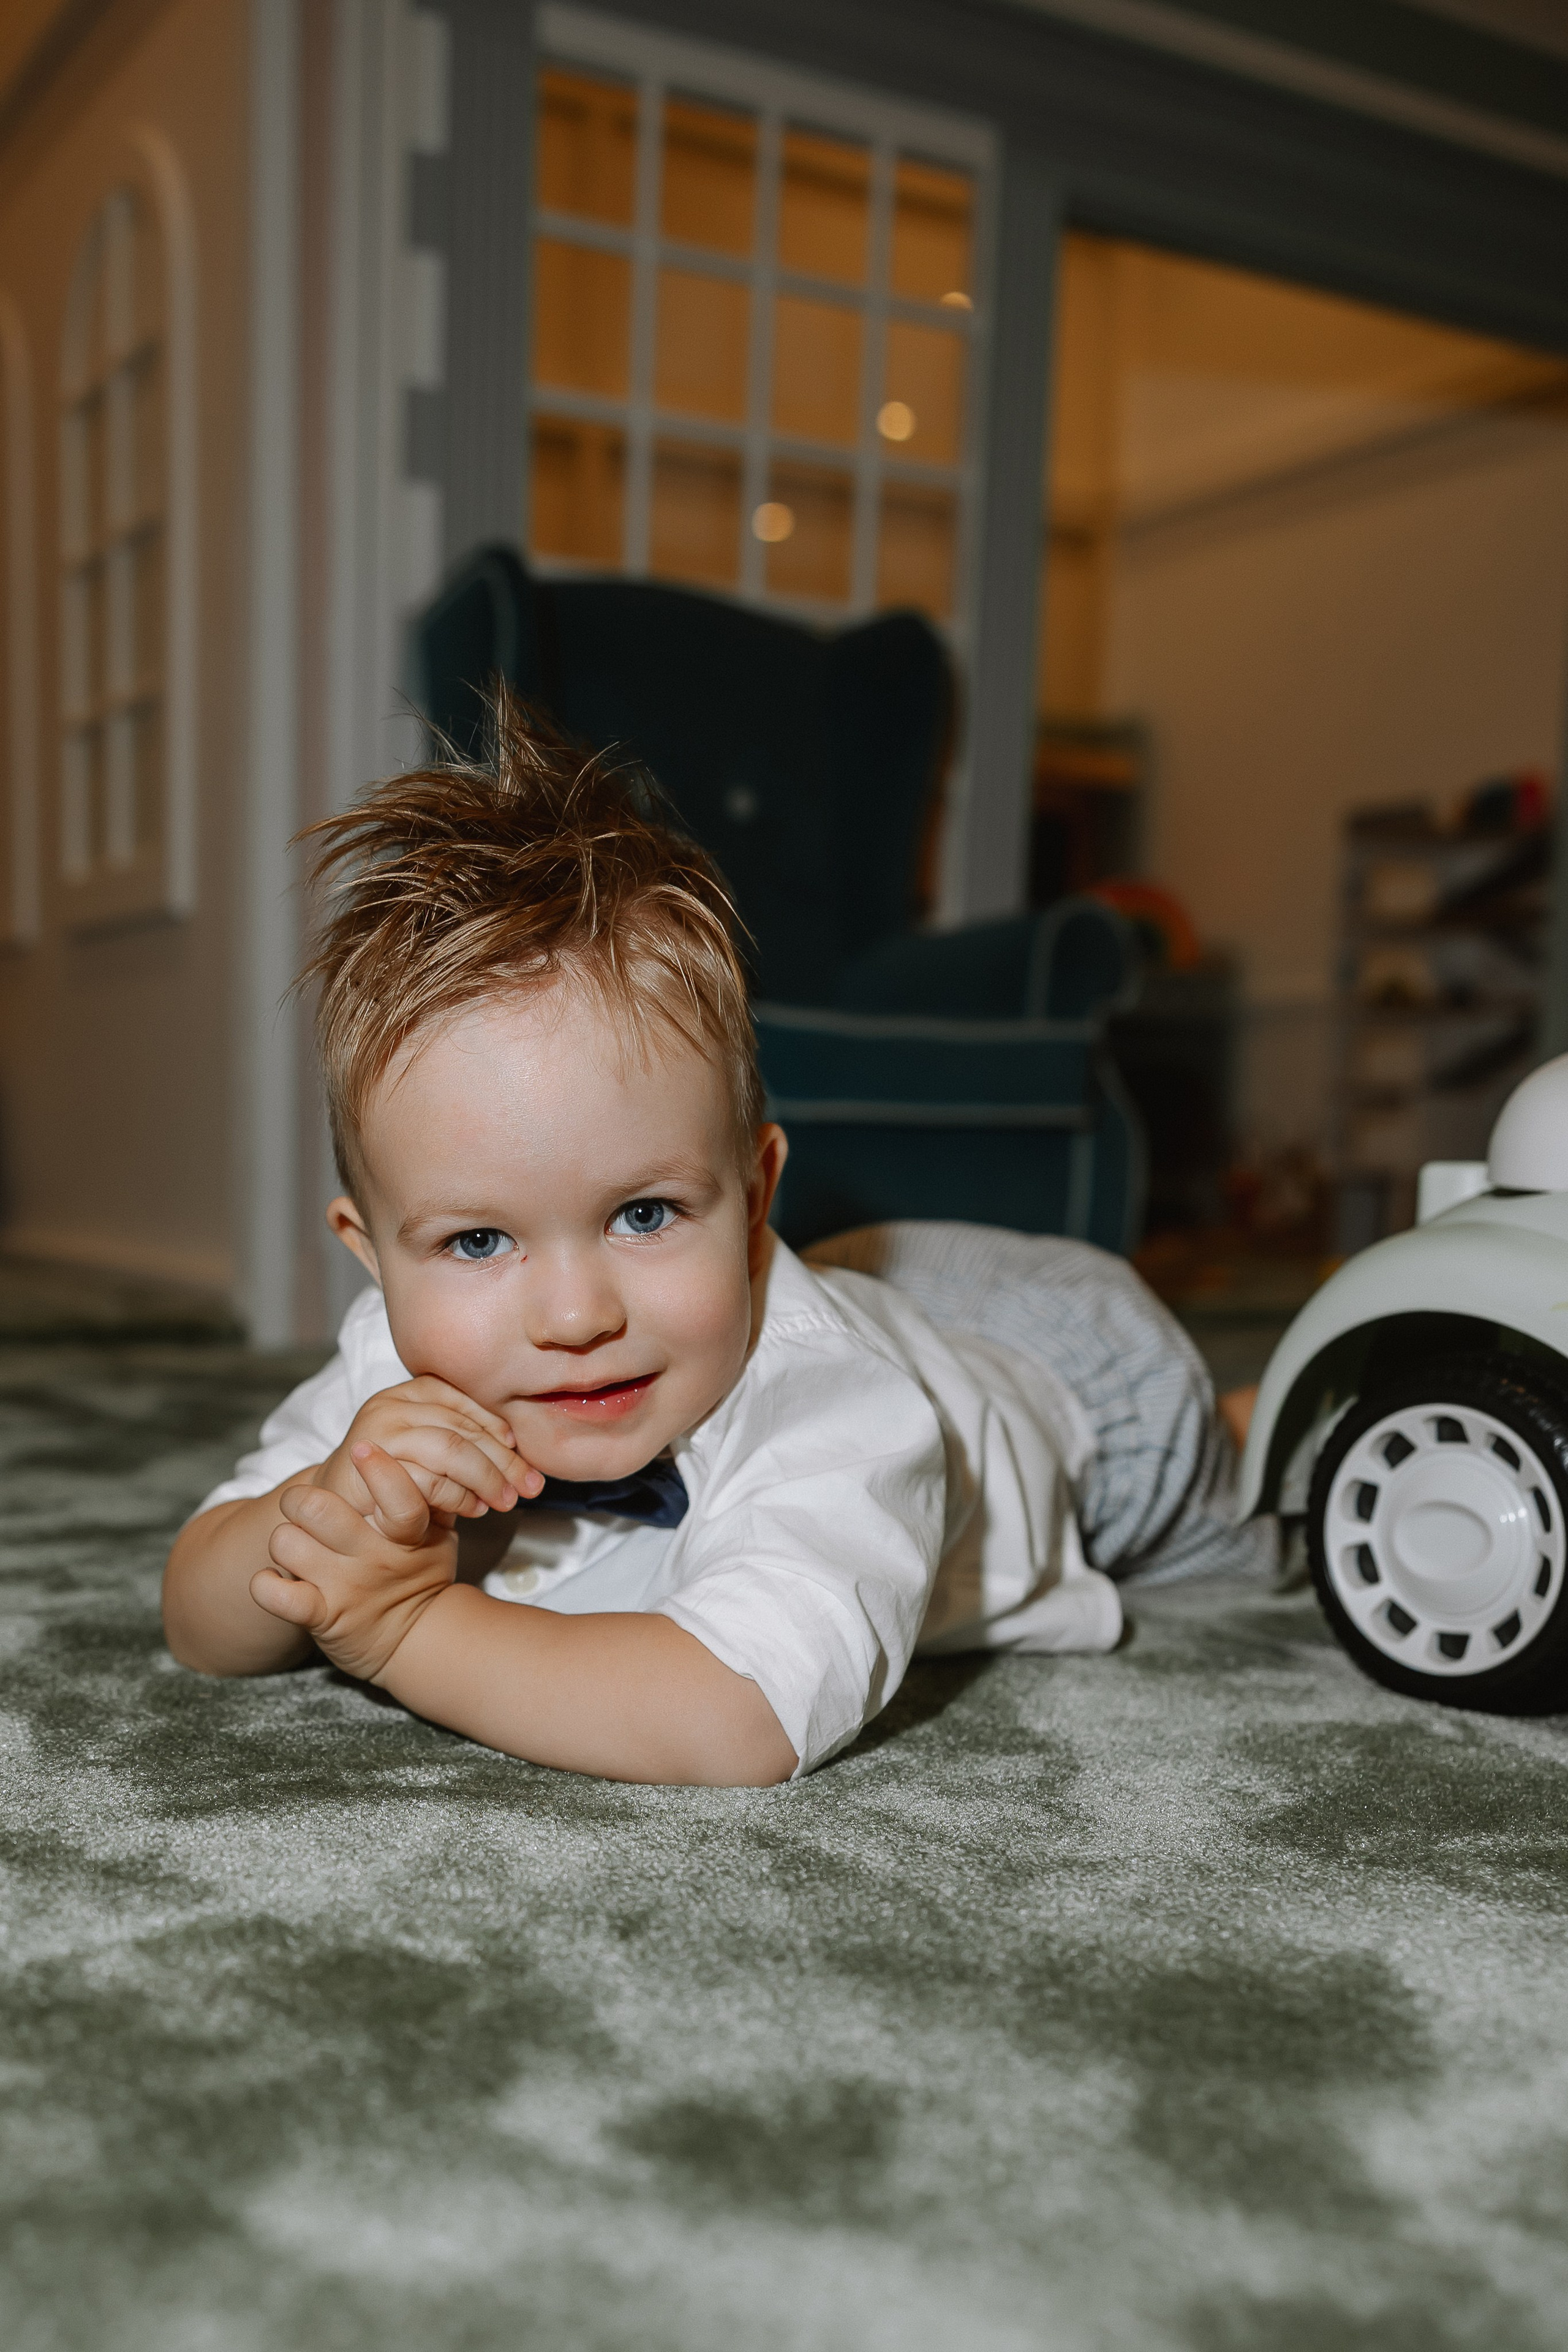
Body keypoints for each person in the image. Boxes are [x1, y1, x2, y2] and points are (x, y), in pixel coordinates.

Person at [162, 692, 1273, 1787]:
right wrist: (309, 1533)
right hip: (877, 1290)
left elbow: (738, 1721)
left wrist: (408, 1629)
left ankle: (1245, 1410)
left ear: (754, 1195)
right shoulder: (393, 1375)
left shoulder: (837, 1405)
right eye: (477, 1243)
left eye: (643, 1214)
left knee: (1265, 1515)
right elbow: (200, 1620)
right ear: (372, 1255)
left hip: (1081, 1391)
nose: (575, 1315)